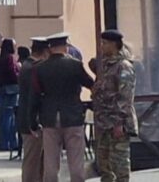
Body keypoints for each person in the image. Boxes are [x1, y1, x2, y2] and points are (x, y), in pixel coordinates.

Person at [30, 32, 95, 182]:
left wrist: (33, 121)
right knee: (76, 160)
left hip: (49, 117)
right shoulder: (75, 65)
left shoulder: (39, 68)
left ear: (50, 48)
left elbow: (35, 96)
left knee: (51, 162)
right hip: (73, 116)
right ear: (65, 47)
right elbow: (90, 84)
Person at [93, 30, 138, 182]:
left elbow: (125, 96)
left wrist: (119, 122)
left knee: (119, 162)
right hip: (104, 122)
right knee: (104, 164)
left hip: (117, 123)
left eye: (104, 43)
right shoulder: (106, 66)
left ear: (114, 44)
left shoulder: (123, 66)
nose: (102, 46)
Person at [18, 37, 49, 182]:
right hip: (31, 121)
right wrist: (34, 123)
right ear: (45, 51)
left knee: (39, 162)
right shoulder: (32, 68)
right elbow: (33, 97)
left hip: (29, 119)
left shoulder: (28, 65)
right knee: (32, 162)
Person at [0, 38, 21, 152]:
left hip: (3, 88)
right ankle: (10, 142)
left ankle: (5, 142)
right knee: (9, 117)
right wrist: (19, 75)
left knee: (4, 116)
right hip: (11, 89)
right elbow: (12, 73)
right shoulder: (10, 58)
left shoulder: (1, 59)